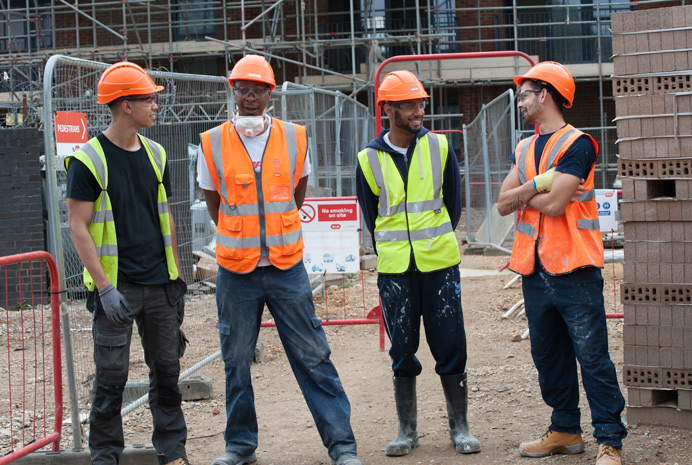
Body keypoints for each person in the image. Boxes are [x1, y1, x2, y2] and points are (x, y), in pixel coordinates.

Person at [197, 54, 362, 465]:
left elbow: (296, 194)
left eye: (258, 89)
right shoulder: (212, 142)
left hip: (286, 268)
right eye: (242, 88)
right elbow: (214, 204)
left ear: (271, 93)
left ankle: (342, 445)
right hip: (237, 272)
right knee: (235, 359)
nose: (249, 96)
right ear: (232, 91)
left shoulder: (294, 137)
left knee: (312, 355)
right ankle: (239, 446)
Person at [497, 61, 627, 465]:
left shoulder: (579, 144)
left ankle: (609, 440)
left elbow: (555, 206)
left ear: (545, 94)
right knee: (548, 355)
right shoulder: (525, 147)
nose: (519, 102)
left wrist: (525, 192)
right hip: (535, 270)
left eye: (524, 94)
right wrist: (537, 182)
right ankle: (566, 430)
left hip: (575, 268)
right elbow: (503, 204)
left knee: (591, 356)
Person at [65, 62, 190, 465]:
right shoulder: (89, 160)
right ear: (124, 105)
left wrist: (176, 277)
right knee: (111, 380)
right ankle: (105, 457)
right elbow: (78, 227)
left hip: (159, 284)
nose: (156, 105)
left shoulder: (156, 153)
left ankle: (172, 451)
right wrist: (104, 288)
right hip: (116, 287)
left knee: (167, 372)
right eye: (148, 98)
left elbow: (164, 215)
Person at [355, 70, 481, 457]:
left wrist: (431, 242)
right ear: (388, 109)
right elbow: (371, 213)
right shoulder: (368, 159)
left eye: (420, 102)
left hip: (440, 265)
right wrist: (394, 251)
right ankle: (406, 430)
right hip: (395, 270)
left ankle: (460, 428)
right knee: (402, 348)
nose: (418, 110)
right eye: (408, 104)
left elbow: (453, 205)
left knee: (450, 344)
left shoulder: (440, 147)